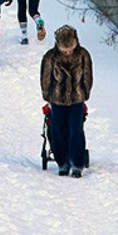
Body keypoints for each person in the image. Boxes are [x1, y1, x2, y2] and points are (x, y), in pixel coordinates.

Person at [40, 25, 94, 177]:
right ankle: (62, 162)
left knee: (76, 131)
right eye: (65, 49)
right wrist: (48, 95)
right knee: (57, 130)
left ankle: (77, 163)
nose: (68, 51)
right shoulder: (50, 57)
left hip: (77, 100)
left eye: (70, 48)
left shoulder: (83, 55)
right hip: (57, 100)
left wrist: (84, 92)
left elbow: (88, 76)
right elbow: (45, 78)